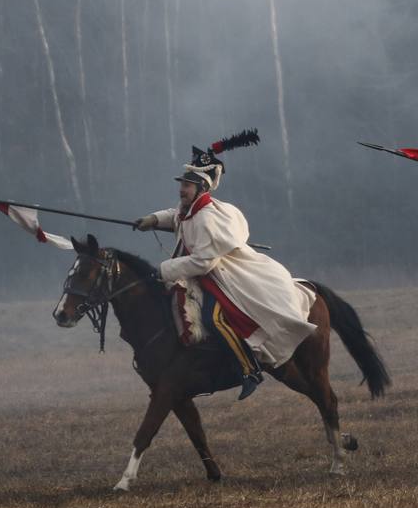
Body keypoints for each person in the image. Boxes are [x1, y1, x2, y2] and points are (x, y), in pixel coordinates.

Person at [134, 131, 317, 398]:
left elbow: (203, 261)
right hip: (201, 273)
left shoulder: (208, 217)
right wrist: (152, 219)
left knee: (214, 318)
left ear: (201, 188)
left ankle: (249, 369)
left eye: (186, 185)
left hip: (219, 276)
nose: (181, 189)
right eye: (182, 184)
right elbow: (177, 217)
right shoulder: (191, 208)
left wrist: (164, 269)